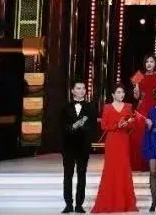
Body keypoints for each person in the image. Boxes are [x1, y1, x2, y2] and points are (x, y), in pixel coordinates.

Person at [92, 85, 138, 213]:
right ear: (113, 94)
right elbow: (103, 125)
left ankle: (125, 202)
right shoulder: (107, 107)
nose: (121, 94)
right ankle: (108, 201)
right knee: (110, 168)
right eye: (118, 92)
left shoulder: (128, 106)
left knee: (123, 168)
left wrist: (127, 124)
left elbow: (132, 124)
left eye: (123, 92)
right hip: (112, 140)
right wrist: (116, 125)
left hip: (124, 140)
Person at [61, 80, 98, 214]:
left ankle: (79, 205)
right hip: (68, 146)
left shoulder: (91, 107)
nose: (81, 90)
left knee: (82, 175)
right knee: (68, 175)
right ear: (72, 90)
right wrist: (73, 127)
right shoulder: (65, 107)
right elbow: (61, 126)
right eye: (78, 88)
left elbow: (93, 127)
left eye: (83, 88)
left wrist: (82, 127)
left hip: (83, 146)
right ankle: (68, 204)